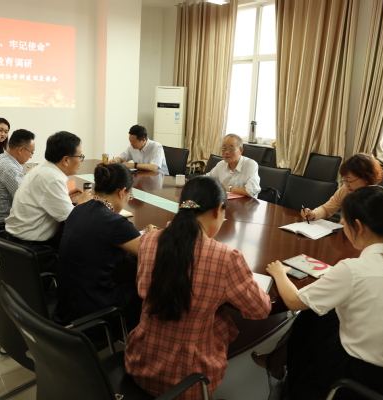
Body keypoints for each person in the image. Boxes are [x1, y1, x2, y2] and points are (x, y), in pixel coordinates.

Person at [265, 186, 383, 399]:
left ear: (358, 226)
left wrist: (279, 273)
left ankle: (285, 371)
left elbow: (293, 301)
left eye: (344, 222)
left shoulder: (353, 269)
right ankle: (278, 361)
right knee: (323, 313)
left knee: (309, 318)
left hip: (367, 375)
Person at [124, 176, 272, 400]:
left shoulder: (149, 241)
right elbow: (260, 310)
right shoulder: (225, 258)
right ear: (219, 209)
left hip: (140, 363)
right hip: (189, 381)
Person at [54, 163, 155, 329]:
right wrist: (151, 236)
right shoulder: (116, 223)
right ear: (122, 192)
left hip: (66, 306)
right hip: (94, 312)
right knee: (145, 287)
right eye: (129, 194)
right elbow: (152, 253)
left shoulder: (78, 209)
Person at [5, 131, 92, 272]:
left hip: (15, 243)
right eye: (80, 156)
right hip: (32, 250)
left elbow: (42, 200)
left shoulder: (42, 168)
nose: (80, 161)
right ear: (66, 159)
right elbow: (74, 221)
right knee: (85, 264)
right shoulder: (53, 178)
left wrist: (64, 198)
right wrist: (83, 202)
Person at [301, 153, 383, 221]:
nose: (347, 185)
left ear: (366, 178)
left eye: (350, 181)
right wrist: (313, 214)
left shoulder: (377, 198)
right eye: (345, 180)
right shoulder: (346, 190)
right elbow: (326, 209)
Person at [0, 129, 35, 226]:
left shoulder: (1, 158)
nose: (31, 156)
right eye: (31, 152)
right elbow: (26, 201)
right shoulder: (9, 168)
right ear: (20, 150)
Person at [207, 133, 261, 198]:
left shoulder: (250, 165)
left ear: (240, 150)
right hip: (225, 201)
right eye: (224, 148)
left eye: (231, 149)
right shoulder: (221, 164)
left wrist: (228, 188)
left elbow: (251, 191)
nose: (226, 152)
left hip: (246, 203)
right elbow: (207, 179)